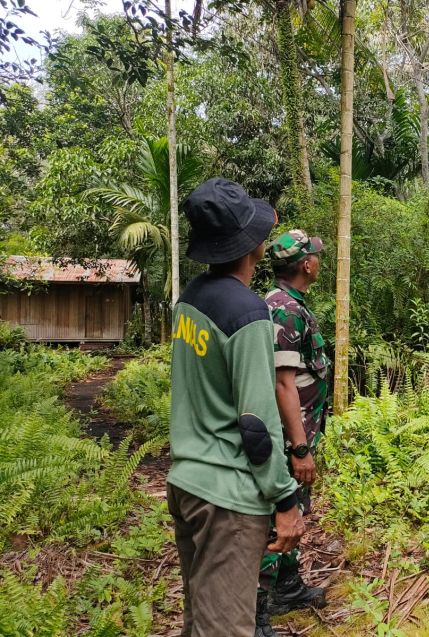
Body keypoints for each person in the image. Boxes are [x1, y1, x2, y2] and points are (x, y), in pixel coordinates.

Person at [167, 177, 305, 637]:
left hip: (186, 481)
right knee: (225, 628)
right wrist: (285, 499)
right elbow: (255, 421)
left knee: (199, 618)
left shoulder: (190, 299)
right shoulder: (247, 314)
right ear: (253, 245)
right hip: (227, 499)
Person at [254, 229, 331, 636]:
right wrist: (299, 448)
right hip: (288, 441)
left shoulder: (289, 304)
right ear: (305, 265)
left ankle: (288, 587)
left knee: (295, 513)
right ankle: (256, 616)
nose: (319, 260)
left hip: (298, 435)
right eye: (315, 256)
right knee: (277, 520)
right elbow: (283, 384)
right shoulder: (283, 310)